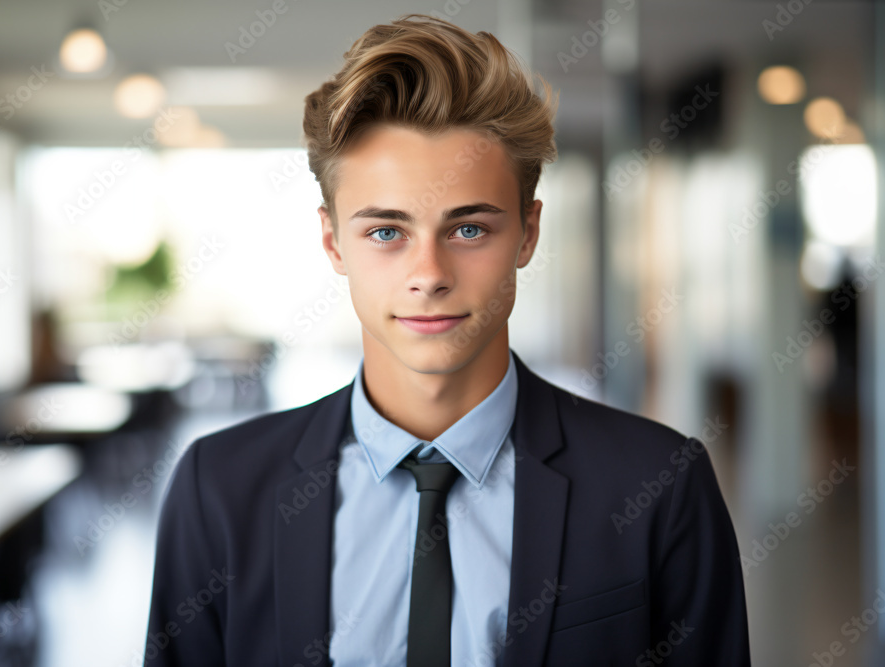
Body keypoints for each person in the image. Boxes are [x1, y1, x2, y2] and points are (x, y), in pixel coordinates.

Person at [143, 13, 751, 666]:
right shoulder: (220, 489)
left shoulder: (658, 483)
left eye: (468, 230)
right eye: (386, 232)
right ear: (332, 242)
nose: (428, 275)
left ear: (526, 232)